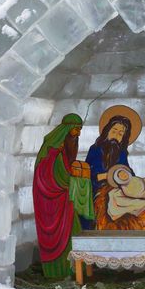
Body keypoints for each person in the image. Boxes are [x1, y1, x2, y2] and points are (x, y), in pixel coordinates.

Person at [32, 113, 93, 279]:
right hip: (52, 203)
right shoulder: (53, 152)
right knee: (65, 234)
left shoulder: (61, 150)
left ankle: (73, 269)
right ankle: (59, 272)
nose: (78, 134)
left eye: (80, 130)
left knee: (73, 231)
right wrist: (77, 179)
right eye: (76, 130)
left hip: (63, 201)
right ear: (66, 129)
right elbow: (53, 179)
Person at [83, 106, 140, 229]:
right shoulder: (96, 149)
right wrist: (110, 176)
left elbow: (126, 170)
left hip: (118, 186)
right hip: (97, 188)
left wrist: (128, 175)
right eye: (114, 131)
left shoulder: (121, 152)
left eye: (120, 134)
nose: (116, 135)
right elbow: (90, 173)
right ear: (107, 131)